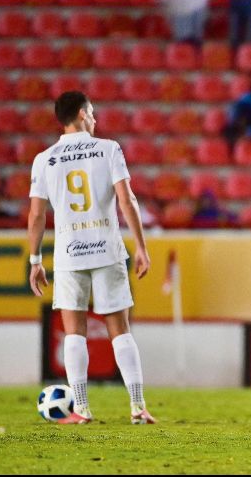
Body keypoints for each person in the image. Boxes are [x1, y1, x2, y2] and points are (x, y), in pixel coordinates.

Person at [28, 91, 156, 425]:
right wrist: (141, 246)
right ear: (83, 113)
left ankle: (81, 408)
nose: (96, 118)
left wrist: (35, 259)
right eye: (93, 112)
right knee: (119, 328)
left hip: (69, 254)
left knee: (74, 331)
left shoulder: (44, 159)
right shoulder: (108, 149)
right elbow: (126, 201)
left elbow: (37, 216)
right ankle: (138, 407)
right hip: (106, 248)